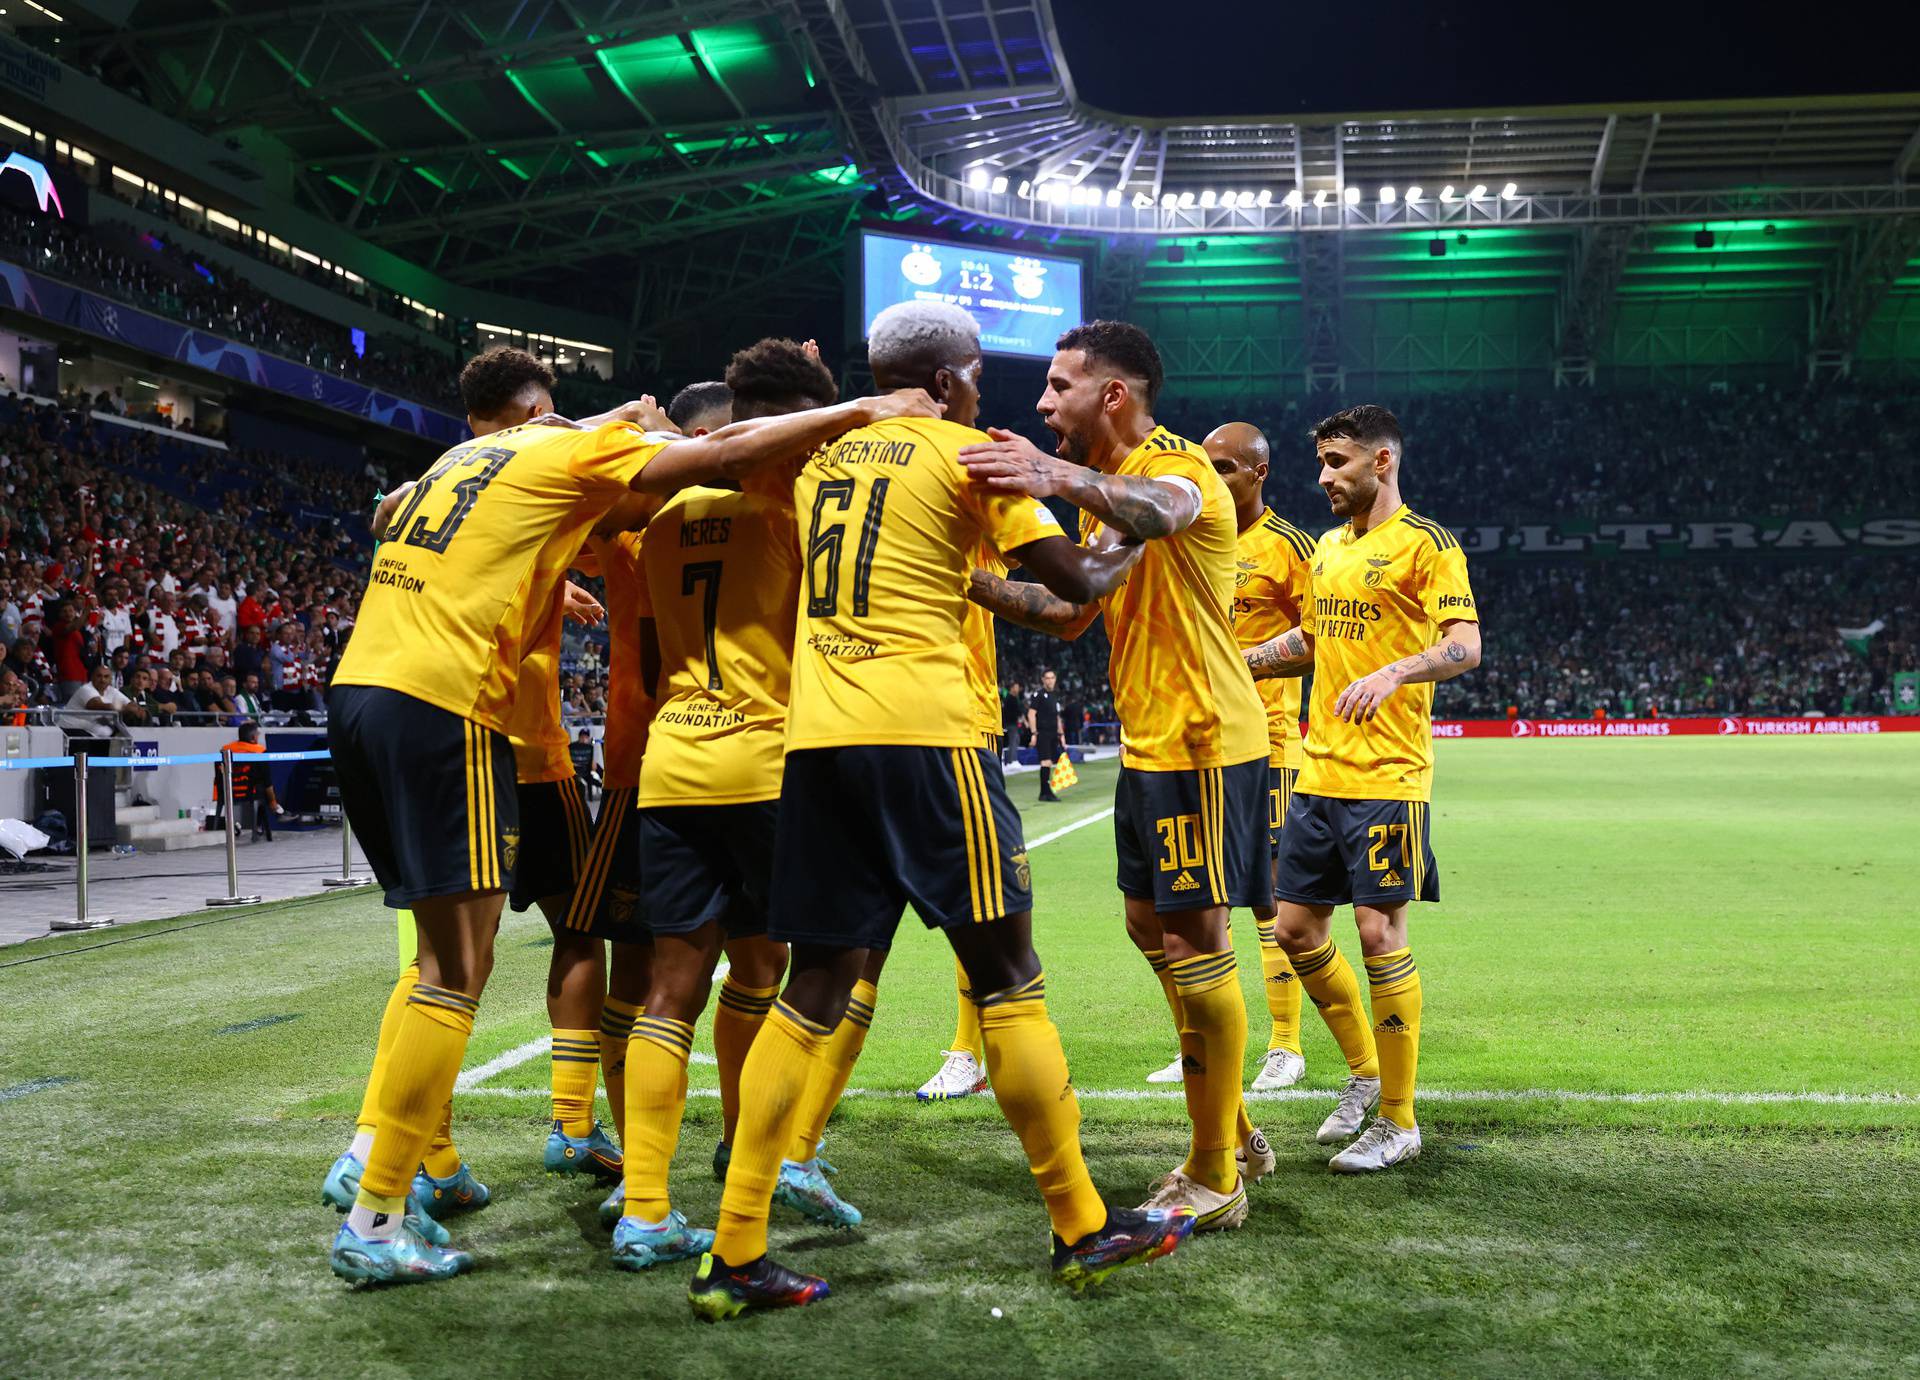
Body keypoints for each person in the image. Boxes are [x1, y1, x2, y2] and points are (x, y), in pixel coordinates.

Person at [322, 344, 940, 1286]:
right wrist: (862, 410)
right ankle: (376, 1205)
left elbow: (384, 512)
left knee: (472, 963)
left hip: (367, 692)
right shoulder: (623, 466)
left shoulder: (465, 460)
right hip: (478, 708)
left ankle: (396, 1166)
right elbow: (714, 457)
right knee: (471, 967)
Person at [690, 301, 1190, 1322]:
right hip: (928, 740)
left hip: (819, 745)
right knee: (1007, 976)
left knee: (813, 987)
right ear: (957, 377)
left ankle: (734, 1250)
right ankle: (1083, 1226)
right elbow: (1077, 588)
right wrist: (1142, 525)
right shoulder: (969, 455)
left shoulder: (821, 458)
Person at [960, 320, 1274, 1233]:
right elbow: (1069, 610)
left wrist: (1054, 476)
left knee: (1195, 943)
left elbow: (1169, 509)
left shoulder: (1181, 467)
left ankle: (1216, 1172)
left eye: (1058, 387)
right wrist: (970, 580)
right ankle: (1235, 1129)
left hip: (1205, 739)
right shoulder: (1109, 499)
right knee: (1152, 929)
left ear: (1112, 395)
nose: (1042, 403)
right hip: (1151, 744)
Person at [612, 336, 829, 1271]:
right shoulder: (793, 508)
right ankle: (760, 1164)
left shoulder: (665, 516)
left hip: (673, 762)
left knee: (672, 986)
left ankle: (646, 1208)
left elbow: (658, 653)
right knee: (795, 973)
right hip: (765, 762)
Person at [1240, 404, 1482, 1172]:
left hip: (1390, 774)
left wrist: (1396, 669)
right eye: (1319, 463)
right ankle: (1365, 1076)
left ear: (1381, 462)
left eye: (1336, 463)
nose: (1323, 478)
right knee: (1295, 932)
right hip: (1318, 771)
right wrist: (1238, 661)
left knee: (1380, 932)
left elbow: (1465, 646)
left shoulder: (1428, 545)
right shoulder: (1327, 550)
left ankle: (1400, 1121)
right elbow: (1310, 640)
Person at [915, 536, 1011, 1103]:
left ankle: (970, 1049)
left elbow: (1054, 561)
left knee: (971, 897)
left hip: (961, 722)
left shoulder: (972, 509)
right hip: (868, 717)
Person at [63, 662, 144, 735]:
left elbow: (131, 704)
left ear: (110, 679)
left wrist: (136, 709)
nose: (102, 680)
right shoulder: (86, 689)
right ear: (92, 677)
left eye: (106, 677)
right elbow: (97, 705)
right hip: (71, 730)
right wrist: (124, 708)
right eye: (99, 676)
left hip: (92, 733)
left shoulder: (111, 690)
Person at [1027, 667, 1064, 801]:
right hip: (1042, 733)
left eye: (1052, 678)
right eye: (1047, 678)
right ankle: (1045, 793)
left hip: (1053, 733)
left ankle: (1046, 792)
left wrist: (1061, 734)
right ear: (1043, 680)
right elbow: (1031, 714)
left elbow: (1057, 716)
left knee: (1049, 762)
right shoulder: (1039, 695)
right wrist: (1034, 733)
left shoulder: (1055, 696)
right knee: (1045, 762)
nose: (1050, 681)